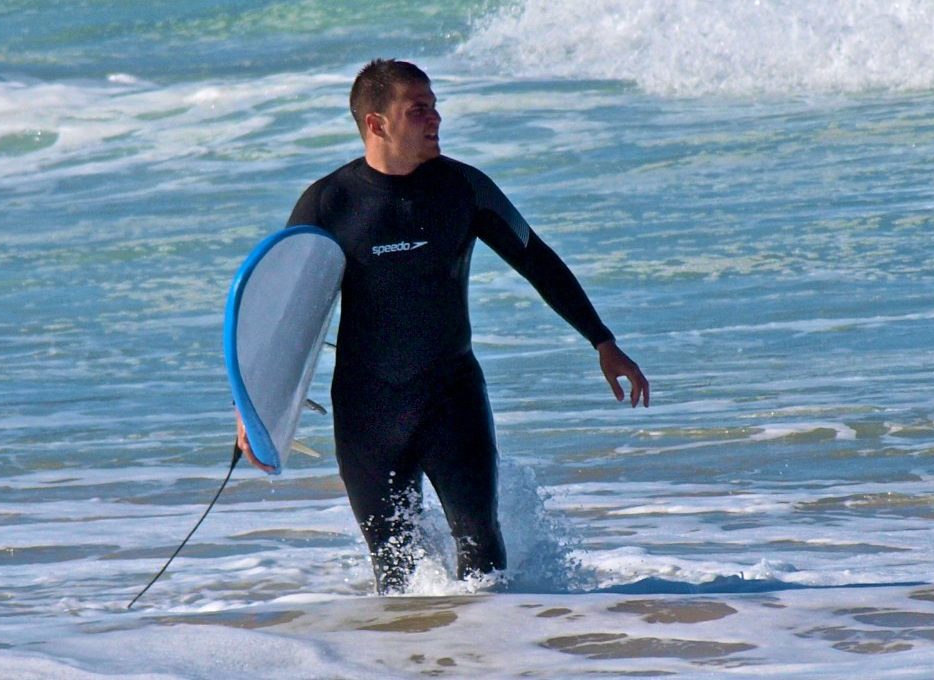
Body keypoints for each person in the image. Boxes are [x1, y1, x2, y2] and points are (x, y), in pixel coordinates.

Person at [236, 59, 649, 594]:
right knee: (393, 569)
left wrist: (602, 340)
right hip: (367, 411)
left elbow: (536, 260)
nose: (435, 119)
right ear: (377, 124)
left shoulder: (463, 188)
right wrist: (253, 407)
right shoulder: (329, 203)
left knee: (483, 553)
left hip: (451, 397)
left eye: (434, 106)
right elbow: (289, 314)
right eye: (419, 110)